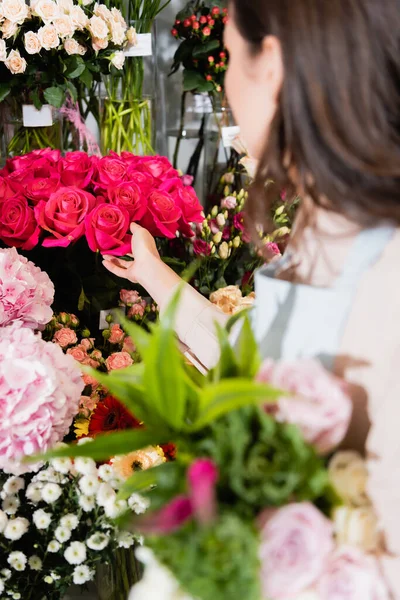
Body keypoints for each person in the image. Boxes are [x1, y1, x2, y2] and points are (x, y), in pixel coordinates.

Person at [103, 0, 400, 595]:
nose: (227, 84)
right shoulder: (330, 228)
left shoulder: (382, 266)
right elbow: (268, 368)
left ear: (274, 63)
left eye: (230, 56)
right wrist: (157, 276)